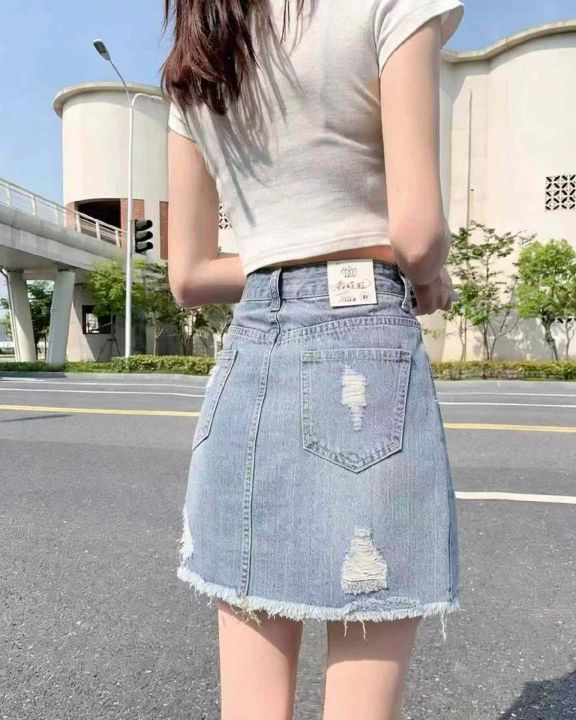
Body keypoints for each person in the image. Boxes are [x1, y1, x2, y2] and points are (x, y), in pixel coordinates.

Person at [161, 0, 464, 717]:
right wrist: (429, 276)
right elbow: (418, 235)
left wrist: (283, 253)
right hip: (363, 350)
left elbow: (189, 275)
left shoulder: (199, 57)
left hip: (249, 358)